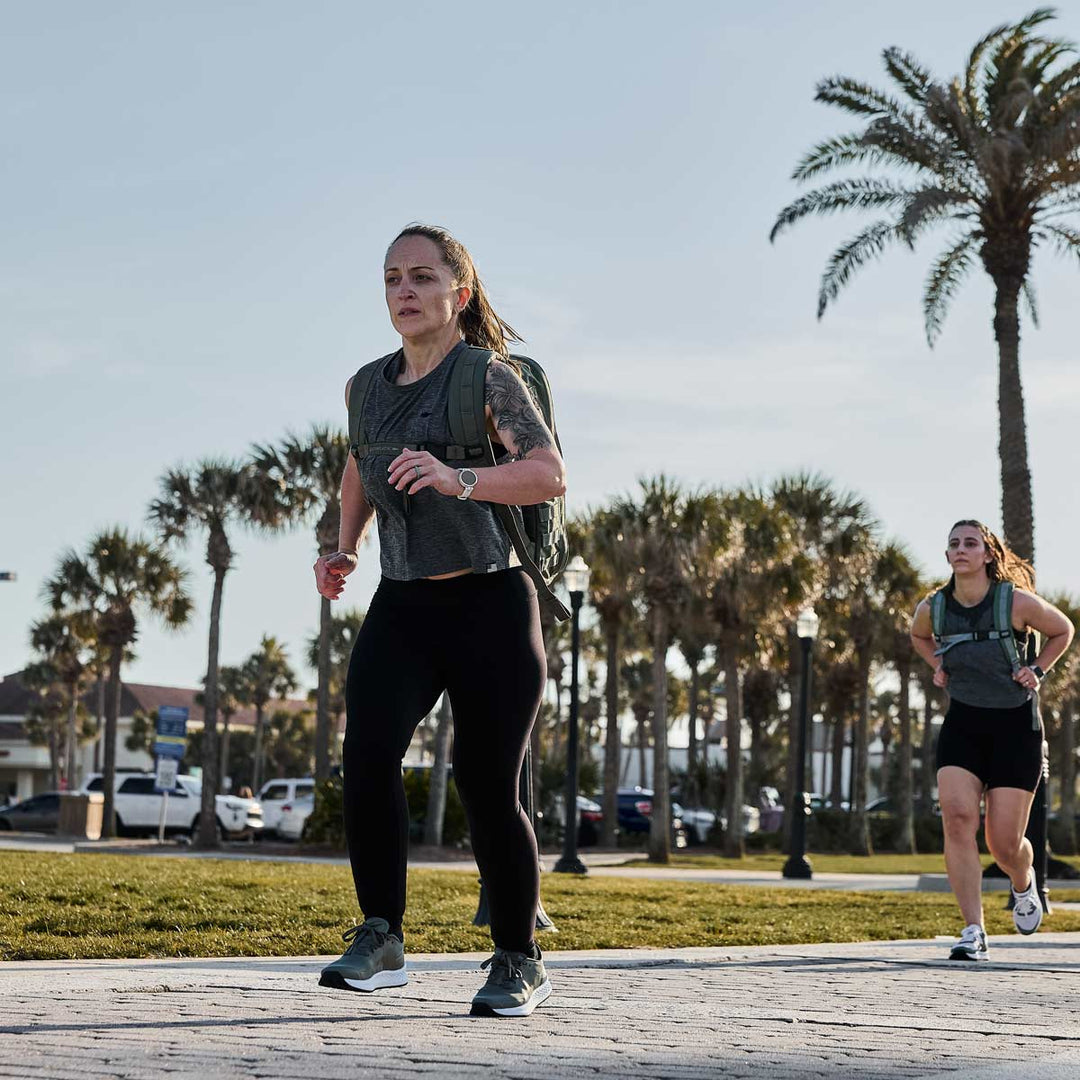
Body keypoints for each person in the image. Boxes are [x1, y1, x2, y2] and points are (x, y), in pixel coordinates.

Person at [312, 223, 565, 1017]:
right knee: (368, 753)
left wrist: (458, 479)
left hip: (492, 599)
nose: (404, 292)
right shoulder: (366, 385)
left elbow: (547, 473)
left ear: (459, 291)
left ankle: (518, 959)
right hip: (405, 601)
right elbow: (359, 462)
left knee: (487, 784)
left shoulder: (487, 377)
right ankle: (382, 935)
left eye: (422, 277)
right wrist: (341, 546)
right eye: (392, 279)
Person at [910, 520, 1074, 961]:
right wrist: (937, 663)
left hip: (1016, 728)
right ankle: (972, 931)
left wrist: (1036, 669)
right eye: (954, 544)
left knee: (1003, 843)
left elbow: (1063, 630)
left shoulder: (1015, 602)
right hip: (963, 724)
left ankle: (1024, 883)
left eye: (971, 543)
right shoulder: (934, 607)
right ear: (947, 557)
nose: (961, 550)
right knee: (958, 819)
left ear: (987, 555)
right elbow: (918, 635)